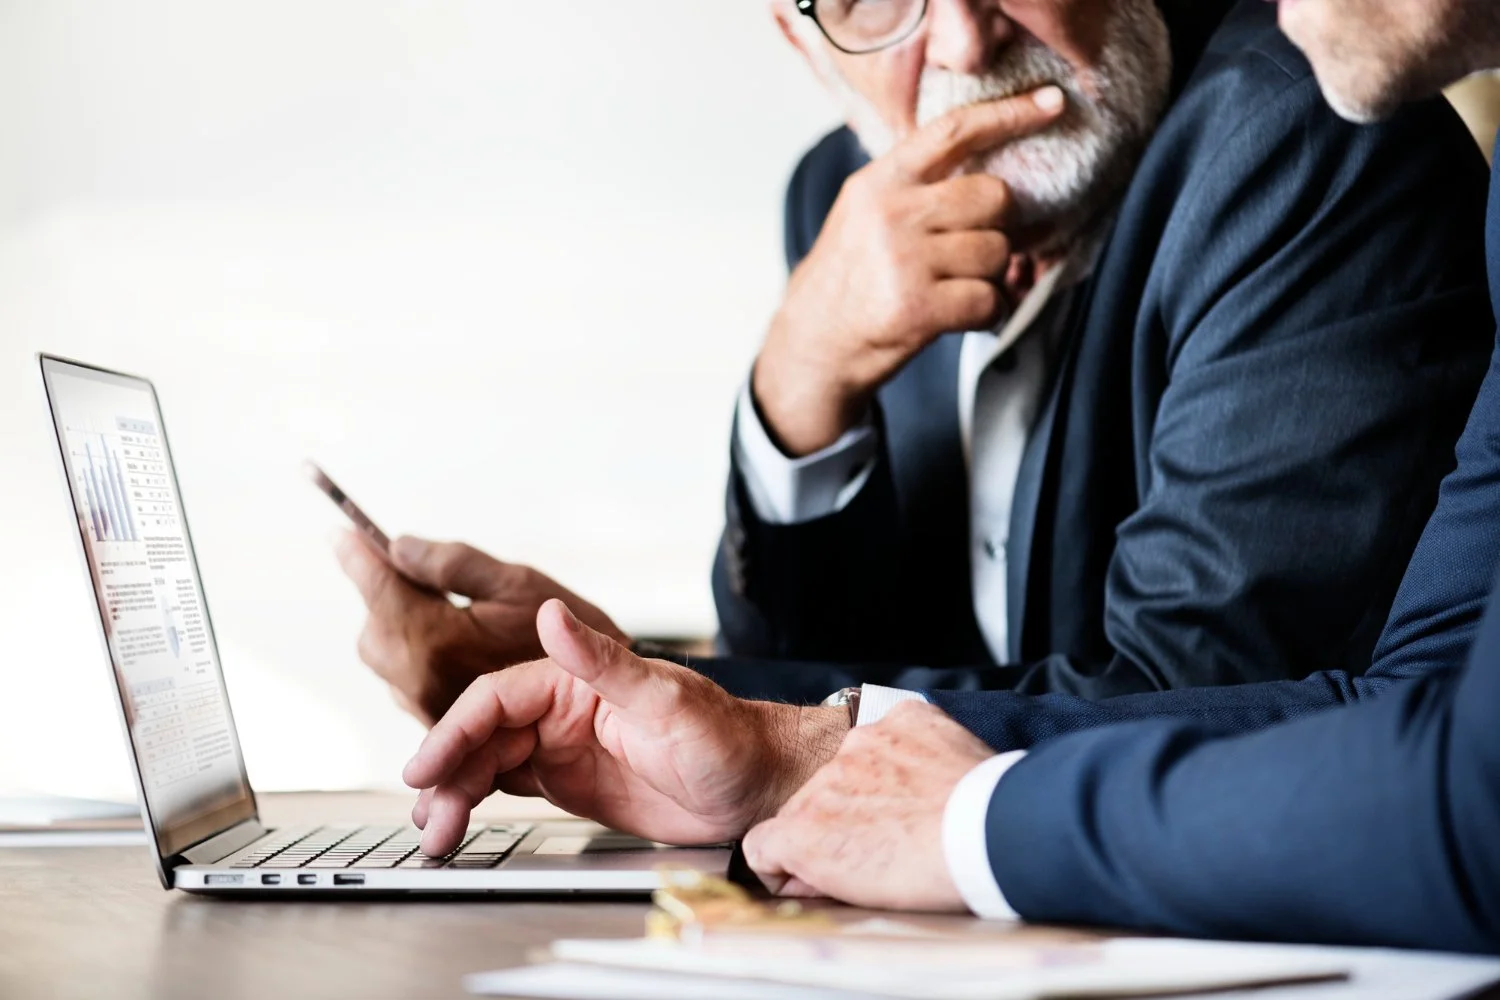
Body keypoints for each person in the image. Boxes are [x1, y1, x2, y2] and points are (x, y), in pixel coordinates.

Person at [403, 0, 1500, 950]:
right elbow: (868, 655)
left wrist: (761, 728)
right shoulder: (844, 197)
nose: (966, 37)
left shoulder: (1298, 132)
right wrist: (796, 388)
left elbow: (1201, 687)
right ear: (803, 42)